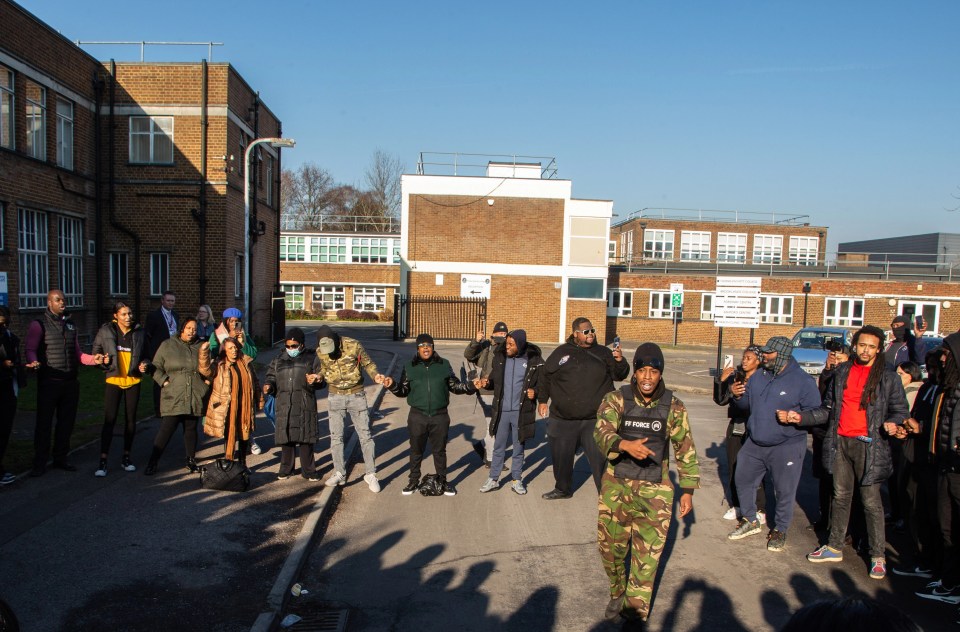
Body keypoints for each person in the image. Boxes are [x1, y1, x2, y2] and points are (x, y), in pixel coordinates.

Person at [791, 325, 908, 580]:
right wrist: (801, 417)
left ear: (879, 349)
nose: (865, 350)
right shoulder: (843, 371)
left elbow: (901, 411)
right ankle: (834, 546)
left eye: (871, 347)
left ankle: (878, 556)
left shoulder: (888, 377)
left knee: (870, 502)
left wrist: (892, 423)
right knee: (840, 496)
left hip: (870, 445)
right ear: (855, 345)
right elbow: (828, 409)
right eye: (862, 345)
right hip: (841, 441)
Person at [594, 343, 700, 623]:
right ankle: (618, 591)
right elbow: (601, 432)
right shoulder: (616, 399)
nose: (647, 378)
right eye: (642, 371)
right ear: (635, 372)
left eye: (654, 372)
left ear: (660, 373)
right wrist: (624, 444)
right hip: (616, 490)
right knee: (611, 550)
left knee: (646, 560)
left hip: (655, 496)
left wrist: (687, 492)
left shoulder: (674, 407)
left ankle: (633, 613)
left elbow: (685, 449)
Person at [726, 335, 821, 552]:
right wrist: (735, 395)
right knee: (742, 478)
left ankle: (780, 529)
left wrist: (797, 417)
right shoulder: (759, 375)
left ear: (783, 355)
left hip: (786, 445)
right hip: (755, 442)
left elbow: (818, 412)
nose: (764, 356)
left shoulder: (802, 381)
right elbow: (745, 404)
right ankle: (750, 520)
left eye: (769, 353)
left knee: (784, 490)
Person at [537, 317, 630, 500]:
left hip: (594, 419)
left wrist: (619, 361)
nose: (591, 334)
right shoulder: (562, 352)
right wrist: (542, 400)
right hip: (563, 419)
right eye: (586, 331)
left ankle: (607, 495)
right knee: (561, 458)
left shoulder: (603, 353)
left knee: (601, 459)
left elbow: (619, 375)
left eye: (592, 330)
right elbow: (545, 376)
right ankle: (562, 489)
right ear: (575, 333)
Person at [388, 333, 476, 496]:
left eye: (428, 345)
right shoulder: (409, 367)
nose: (426, 348)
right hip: (417, 416)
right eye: (422, 346)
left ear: (433, 347)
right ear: (417, 349)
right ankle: (413, 482)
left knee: (439, 451)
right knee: (416, 451)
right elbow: (403, 391)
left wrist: (471, 386)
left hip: (439, 416)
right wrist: (392, 385)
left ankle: (442, 481)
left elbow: (455, 386)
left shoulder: (444, 365)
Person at [25, 289, 101, 476]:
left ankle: (61, 458)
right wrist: (33, 361)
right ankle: (40, 462)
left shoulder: (70, 325)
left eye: (64, 300)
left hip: (70, 383)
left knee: (66, 423)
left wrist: (94, 360)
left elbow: (78, 354)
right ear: (49, 303)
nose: (62, 303)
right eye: (58, 300)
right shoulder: (39, 324)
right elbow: (30, 348)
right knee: (44, 424)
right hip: (50, 382)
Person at [914, 334, 960, 604]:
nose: (941, 358)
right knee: (945, 526)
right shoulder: (949, 386)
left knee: (953, 529)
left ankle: (952, 585)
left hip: (955, 469)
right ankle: (948, 578)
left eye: (946, 353)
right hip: (944, 465)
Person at [891, 347, 943, 579]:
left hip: (929, 458)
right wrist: (907, 430)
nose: (933, 372)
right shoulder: (928, 389)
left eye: (937, 367)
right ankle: (919, 556)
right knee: (912, 504)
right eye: (930, 367)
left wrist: (921, 429)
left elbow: (938, 425)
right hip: (912, 452)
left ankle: (927, 560)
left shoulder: (942, 391)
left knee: (927, 511)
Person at [315, 324, 386, 493]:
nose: (329, 352)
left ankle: (370, 474)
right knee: (336, 437)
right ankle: (339, 472)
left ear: (335, 340)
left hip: (356, 395)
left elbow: (368, 363)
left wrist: (376, 375)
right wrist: (318, 376)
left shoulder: (353, 345)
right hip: (334, 396)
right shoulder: (321, 351)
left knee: (365, 436)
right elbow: (324, 369)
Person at [475, 329, 544, 495]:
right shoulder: (501, 359)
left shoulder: (533, 361)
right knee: (498, 446)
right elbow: (493, 381)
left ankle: (517, 480)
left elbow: (543, 384)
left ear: (519, 345)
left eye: (511, 344)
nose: (507, 347)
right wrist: (486, 382)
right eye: (507, 343)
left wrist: (535, 392)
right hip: (502, 410)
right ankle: (493, 479)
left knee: (518, 447)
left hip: (521, 411)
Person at [145, 318, 211, 475]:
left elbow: (208, 367)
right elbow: (155, 367)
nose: (191, 331)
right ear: (182, 329)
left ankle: (190, 460)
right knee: (166, 429)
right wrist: (164, 382)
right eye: (188, 328)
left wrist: (206, 384)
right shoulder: (167, 345)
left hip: (194, 394)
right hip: (174, 394)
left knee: (190, 429)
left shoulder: (201, 347)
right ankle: (153, 461)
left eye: (194, 329)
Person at [91, 301, 150, 476]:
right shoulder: (106, 331)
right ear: (115, 316)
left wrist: (144, 365)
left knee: (131, 420)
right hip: (114, 379)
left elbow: (147, 356)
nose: (128, 317)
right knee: (110, 420)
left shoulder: (139, 331)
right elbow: (96, 354)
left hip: (133, 380)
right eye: (124, 314)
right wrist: (102, 361)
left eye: (130, 313)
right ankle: (103, 461)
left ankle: (126, 457)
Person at [713, 345, 767, 523]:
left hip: (757, 427)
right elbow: (720, 400)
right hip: (737, 427)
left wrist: (741, 396)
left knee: (756, 469)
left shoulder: (764, 379)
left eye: (749, 358)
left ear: (758, 361)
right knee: (734, 466)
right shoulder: (736, 377)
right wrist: (723, 383)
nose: (744, 361)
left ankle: (759, 508)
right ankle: (736, 505)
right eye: (744, 357)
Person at [263, 328, 324, 481]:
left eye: (294, 346)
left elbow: (322, 376)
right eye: (288, 346)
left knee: (305, 438)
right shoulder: (278, 359)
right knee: (286, 437)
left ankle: (309, 470)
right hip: (285, 402)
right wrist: (269, 385)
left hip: (304, 403)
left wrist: (316, 380)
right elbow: (271, 376)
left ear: (302, 345)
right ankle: (286, 468)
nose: (291, 349)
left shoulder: (312, 358)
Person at [810, 341, 852, 532]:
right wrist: (827, 371)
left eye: (840, 358)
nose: (835, 360)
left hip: (839, 435)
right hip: (822, 433)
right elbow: (822, 398)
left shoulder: (849, 375)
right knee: (824, 481)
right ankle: (824, 518)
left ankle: (840, 526)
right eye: (833, 356)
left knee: (839, 484)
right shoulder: (828, 374)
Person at [207, 307, 259, 453]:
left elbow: (254, 354)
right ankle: (229, 452)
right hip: (225, 378)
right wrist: (227, 340)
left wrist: (243, 343)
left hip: (242, 376)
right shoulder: (216, 335)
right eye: (231, 321)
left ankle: (249, 441)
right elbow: (214, 353)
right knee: (228, 413)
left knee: (244, 411)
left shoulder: (244, 335)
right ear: (226, 321)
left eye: (237, 321)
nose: (234, 324)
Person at [202, 337, 259, 470]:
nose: (234, 351)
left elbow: (255, 381)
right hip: (227, 406)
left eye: (235, 347)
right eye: (230, 348)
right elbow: (205, 370)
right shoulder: (219, 364)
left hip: (244, 405)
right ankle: (229, 462)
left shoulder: (246, 362)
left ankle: (243, 463)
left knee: (245, 433)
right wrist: (204, 353)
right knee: (230, 433)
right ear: (224, 350)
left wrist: (259, 399)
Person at [464, 321, 508, 467]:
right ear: (493, 334)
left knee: (501, 425)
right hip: (485, 391)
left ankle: (481, 445)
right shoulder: (485, 346)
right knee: (492, 425)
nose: (502, 335)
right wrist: (476, 341)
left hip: (501, 391)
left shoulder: (507, 348)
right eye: (499, 333)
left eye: (504, 333)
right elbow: (468, 355)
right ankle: (491, 460)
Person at [0, 307, 26, 485]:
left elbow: (16, 360)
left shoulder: (11, 339)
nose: (3, 326)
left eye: (5, 322)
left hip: (8, 388)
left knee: (4, 430)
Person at [144, 291, 179, 418]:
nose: (171, 303)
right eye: (168, 300)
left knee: (172, 379)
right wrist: (151, 354)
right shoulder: (154, 316)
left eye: (173, 301)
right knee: (159, 381)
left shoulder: (175, 315)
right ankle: (158, 409)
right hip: (159, 353)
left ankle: (171, 406)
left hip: (174, 353)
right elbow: (148, 336)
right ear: (162, 301)